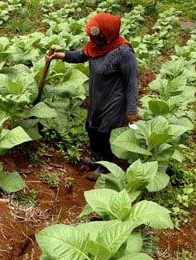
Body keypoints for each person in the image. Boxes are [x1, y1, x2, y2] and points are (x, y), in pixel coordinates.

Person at [46, 12, 140, 175]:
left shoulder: (124, 53)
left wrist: (131, 110)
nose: (93, 41)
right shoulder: (97, 46)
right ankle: (96, 157)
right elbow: (81, 55)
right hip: (98, 96)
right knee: (91, 128)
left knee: (105, 132)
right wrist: (59, 55)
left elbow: (132, 82)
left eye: (96, 37)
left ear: (107, 34)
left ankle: (105, 167)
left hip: (114, 101)